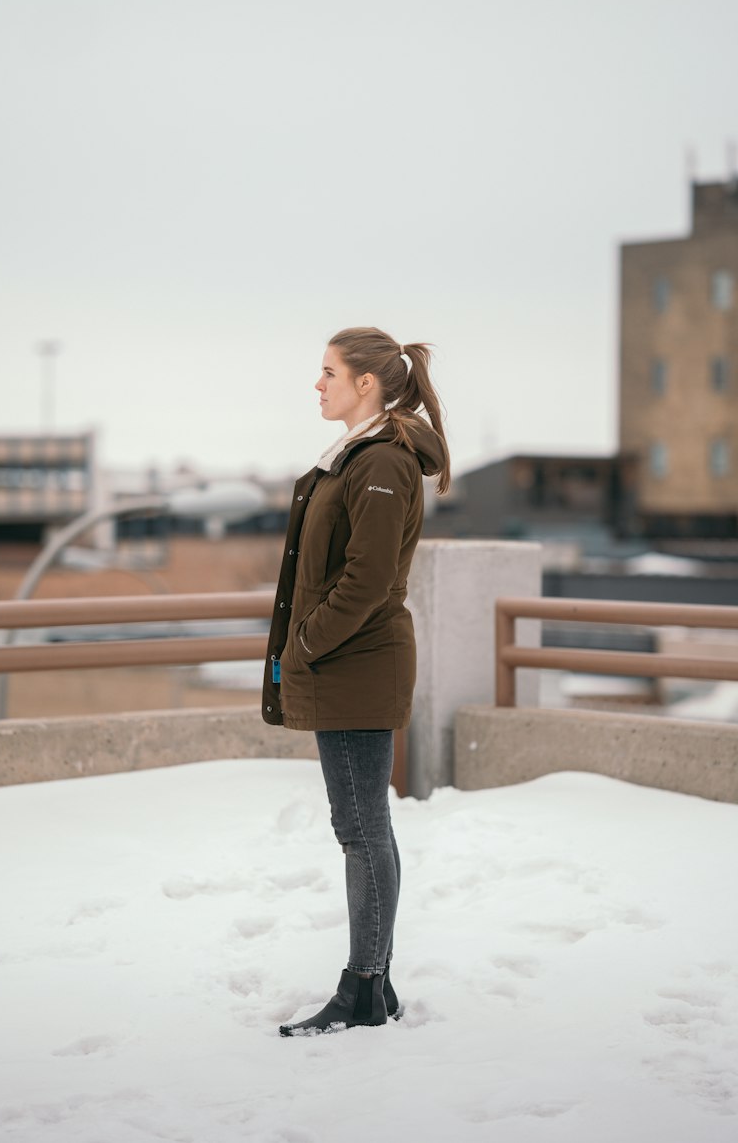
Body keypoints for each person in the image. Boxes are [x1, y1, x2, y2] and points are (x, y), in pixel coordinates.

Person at [262, 326, 451, 1036]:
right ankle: (375, 980)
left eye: (328, 372)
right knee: (364, 825)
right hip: (349, 661)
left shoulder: (381, 463)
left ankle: (366, 987)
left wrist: (306, 645)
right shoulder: (357, 458)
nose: (318, 384)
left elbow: (366, 579)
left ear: (366, 383)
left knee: (361, 828)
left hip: (355, 662)